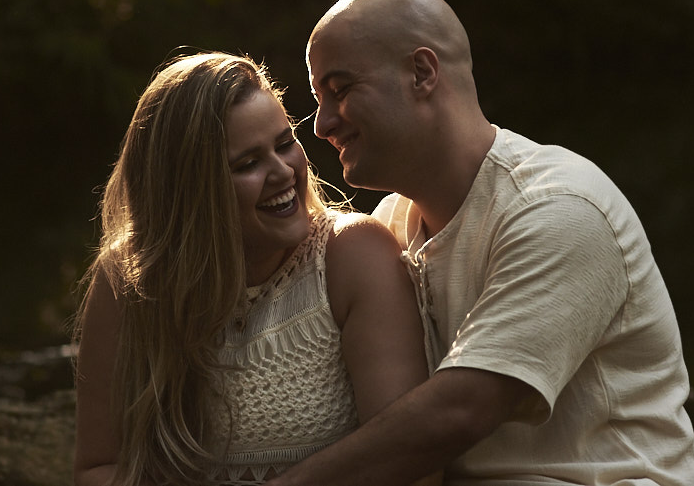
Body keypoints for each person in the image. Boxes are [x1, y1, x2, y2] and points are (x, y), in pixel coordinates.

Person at [268, 0, 694, 486]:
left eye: (339, 90)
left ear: (422, 73)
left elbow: (462, 411)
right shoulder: (387, 227)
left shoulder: (558, 207)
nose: (321, 125)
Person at [73, 52, 439, 486]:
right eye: (247, 164)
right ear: (190, 190)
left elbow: (409, 463)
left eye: (285, 143)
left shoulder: (352, 256)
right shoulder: (128, 281)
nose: (283, 171)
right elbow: (98, 468)